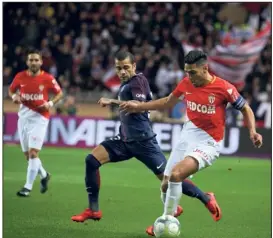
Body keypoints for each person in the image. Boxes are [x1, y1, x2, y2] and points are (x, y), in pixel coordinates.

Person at [120, 50, 263, 236]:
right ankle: (194, 202)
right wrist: (139, 106)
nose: (189, 76)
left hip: (209, 142)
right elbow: (167, 102)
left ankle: (166, 220)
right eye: (186, 71)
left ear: (205, 68)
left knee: (176, 174)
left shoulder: (224, 88)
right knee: (164, 184)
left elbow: (246, 108)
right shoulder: (187, 82)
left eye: (193, 72)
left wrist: (252, 131)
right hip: (187, 135)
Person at [71, 51, 221, 224]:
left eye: (126, 67)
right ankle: (93, 210)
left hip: (144, 142)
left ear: (134, 66)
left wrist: (112, 102)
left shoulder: (138, 83)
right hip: (125, 140)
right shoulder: (127, 83)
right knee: (91, 161)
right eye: (118, 68)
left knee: (171, 178)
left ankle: (206, 198)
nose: (122, 72)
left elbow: (138, 105)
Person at [9, 50, 63, 197]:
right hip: (23, 118)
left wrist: (50, 103)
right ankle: (44, 175)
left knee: (33, 153)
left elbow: (59, 93)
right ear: (27, 62)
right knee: (28, 156)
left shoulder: (47, 78)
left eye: (36, 60)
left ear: (40, 62)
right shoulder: (20, 76)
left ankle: (27, 187)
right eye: (31, 60)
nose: (33, 62)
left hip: (40, 118)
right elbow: (11, 90)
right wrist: (14, 95)